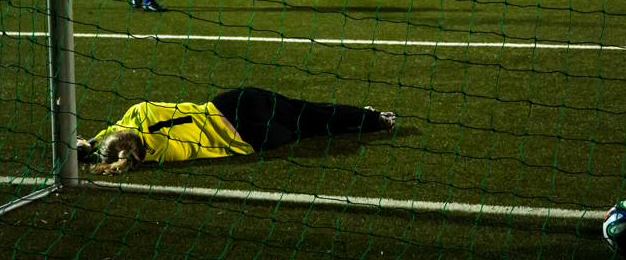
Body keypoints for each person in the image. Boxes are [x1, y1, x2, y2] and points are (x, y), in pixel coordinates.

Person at [77, 87, 396, 175]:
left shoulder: (159, 154)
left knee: (308, 130)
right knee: (307, 110)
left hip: (252, 139)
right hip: (234, 104)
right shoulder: (137, 114)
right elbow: (114, 132)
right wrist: (89, 145)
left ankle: (364, 120)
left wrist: (98, 158)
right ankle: (371, 117)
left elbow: (122, 146)